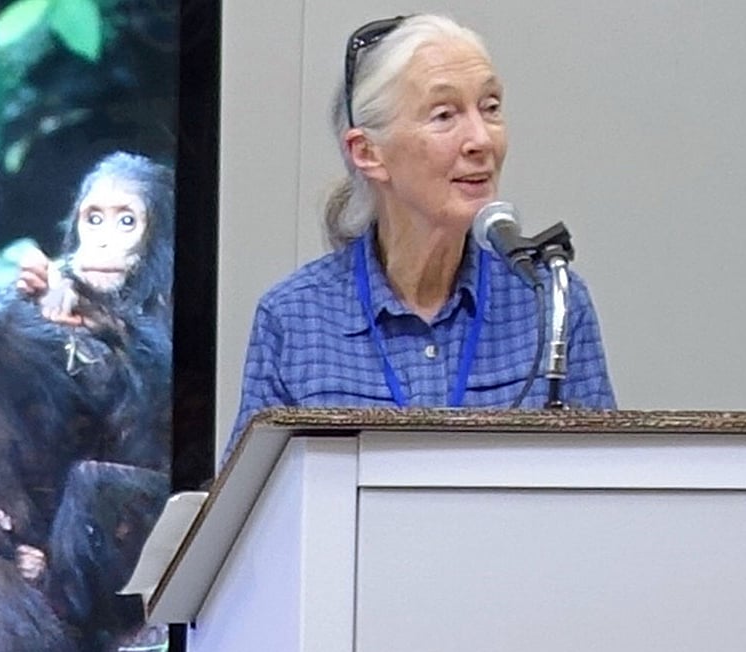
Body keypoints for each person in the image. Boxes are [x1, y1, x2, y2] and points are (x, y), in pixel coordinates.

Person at [226, 14, 616, 458]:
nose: (481, 140)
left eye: (490, 108)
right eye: (445, 114)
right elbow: (251, 519)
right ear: (368, 153)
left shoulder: (551, 301)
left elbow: (603, 497)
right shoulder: (295, 318)